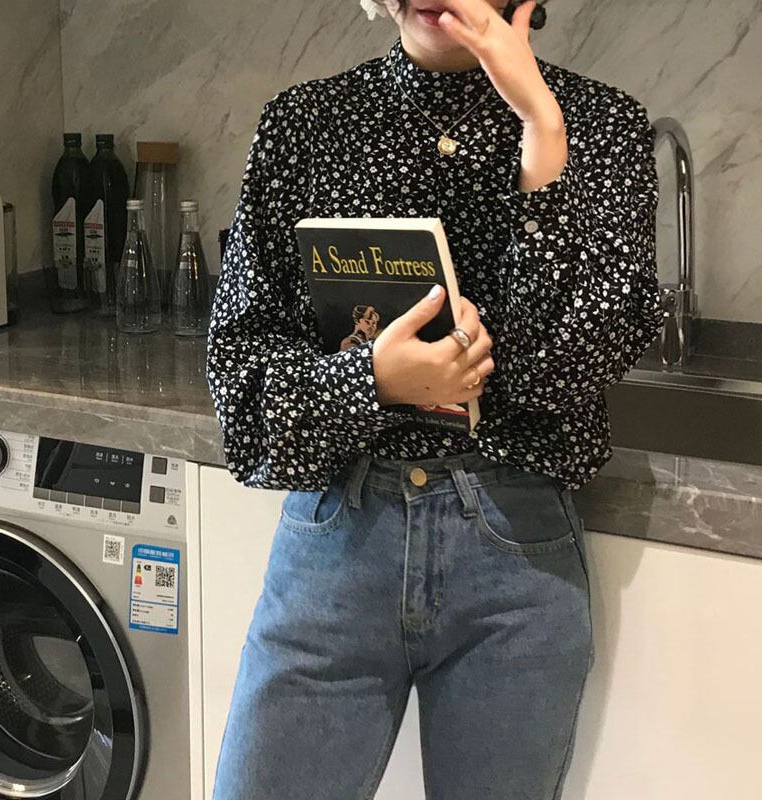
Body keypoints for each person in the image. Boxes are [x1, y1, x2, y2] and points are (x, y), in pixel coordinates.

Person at [206, 0, 666, 797]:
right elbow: (244, 404)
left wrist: (542, 132)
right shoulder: (306, 124)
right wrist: (372, 382)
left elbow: (569, 368)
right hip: (335, 544)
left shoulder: (600, 124)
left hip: (516, 555)